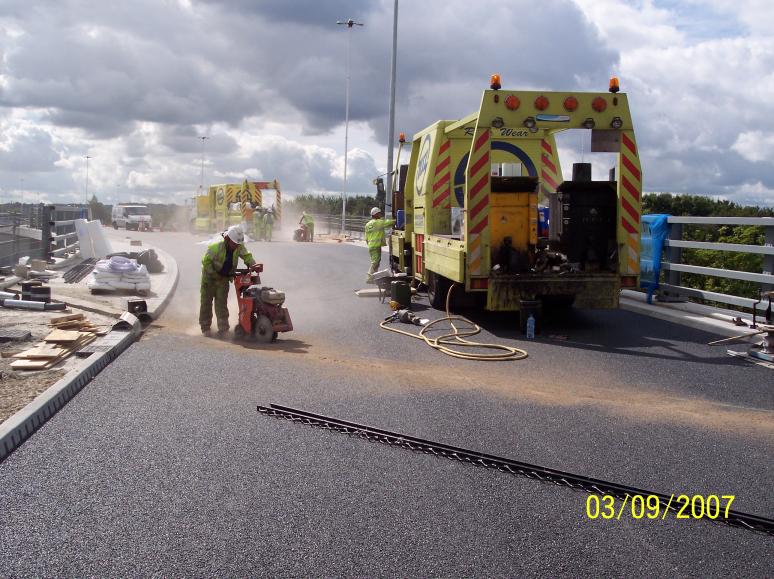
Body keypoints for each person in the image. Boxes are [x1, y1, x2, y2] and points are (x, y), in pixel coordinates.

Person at [199, 225, 259, 336]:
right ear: (227, 239)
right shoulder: (215, 246)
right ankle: (205, 327)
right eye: (234, 244)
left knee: (221, 304)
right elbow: (206, 262)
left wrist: (253, 264)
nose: (236, 246)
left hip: (224, 278)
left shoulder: (238, 246)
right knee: (206, 303)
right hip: (209, 278)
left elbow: (246, 256)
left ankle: (223, 329)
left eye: (237, 244)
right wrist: (214, 274)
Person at [365, 207, 395, 282]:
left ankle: (374, 277)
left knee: (376, 262)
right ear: (375, 214)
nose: (380, 215)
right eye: (379, 213)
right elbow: (389, 223)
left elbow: (366, 238)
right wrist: (397, 220)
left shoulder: (368, 224)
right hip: (376, 245)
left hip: (371, 246)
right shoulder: (378, 222)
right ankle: (369, 278)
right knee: (375, 262)